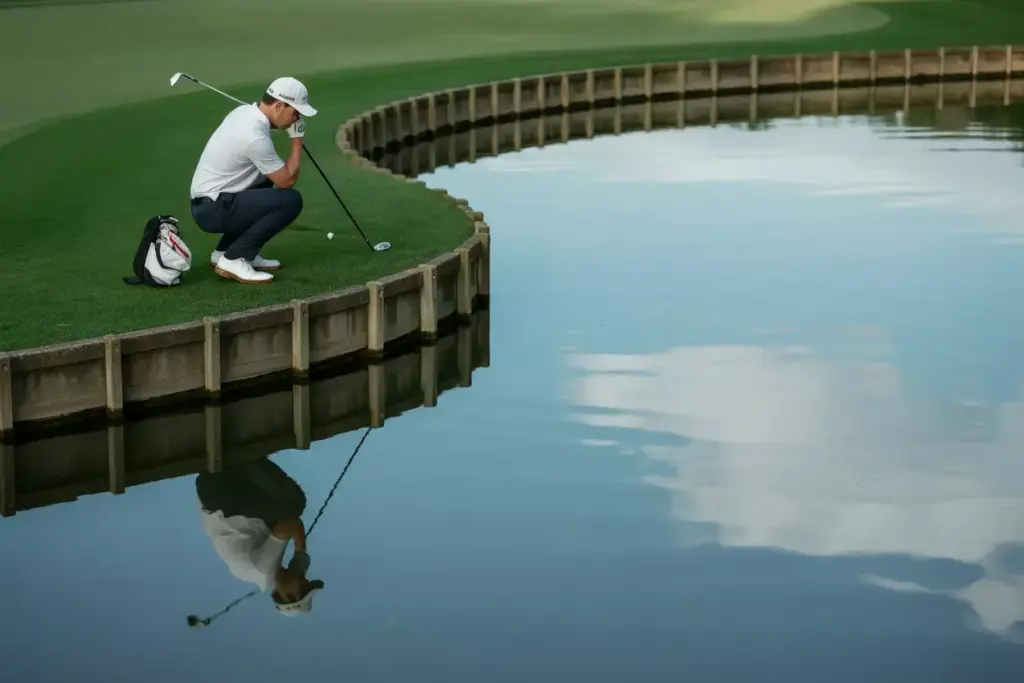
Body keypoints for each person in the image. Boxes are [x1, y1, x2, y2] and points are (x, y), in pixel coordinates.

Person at [188, 76, 318, 284]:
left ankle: (223, 252)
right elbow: (286, 180)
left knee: (265, 183)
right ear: (278, 106)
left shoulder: (243, 113)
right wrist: (297, 138)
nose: (297, 119)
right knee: (290, 200)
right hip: (213, 209)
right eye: (296, 113)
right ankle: (235, 258)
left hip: (210, 201)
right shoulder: (254, 135)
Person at [196, 457, 325, 617]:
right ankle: (246, 458)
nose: (305, 580)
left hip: (220, 496)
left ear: (287, 596)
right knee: (282, 512)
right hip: (215, 496)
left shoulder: (263, 572)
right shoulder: (268, 568)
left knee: (295, 503)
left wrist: (301, 552)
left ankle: (248, 455)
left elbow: (291, 522)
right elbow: (290, 522)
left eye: (303, 588)